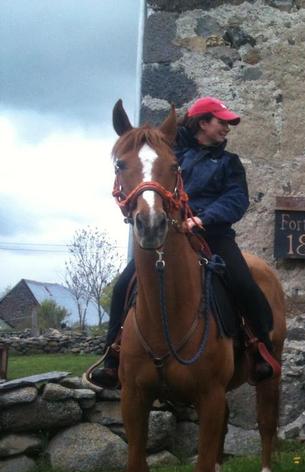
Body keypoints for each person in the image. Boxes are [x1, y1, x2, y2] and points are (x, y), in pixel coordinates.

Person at [90, 97, 279, 387]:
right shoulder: (169, 153)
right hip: (169, 235)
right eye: (222, 122)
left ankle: (259, 349)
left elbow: (236, 199)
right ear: (203, 123)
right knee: (123, 285)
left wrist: (203, 218)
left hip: (213, 235)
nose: (227, 128)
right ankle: (112, 356)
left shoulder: (228, 163)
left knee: (244, 283)